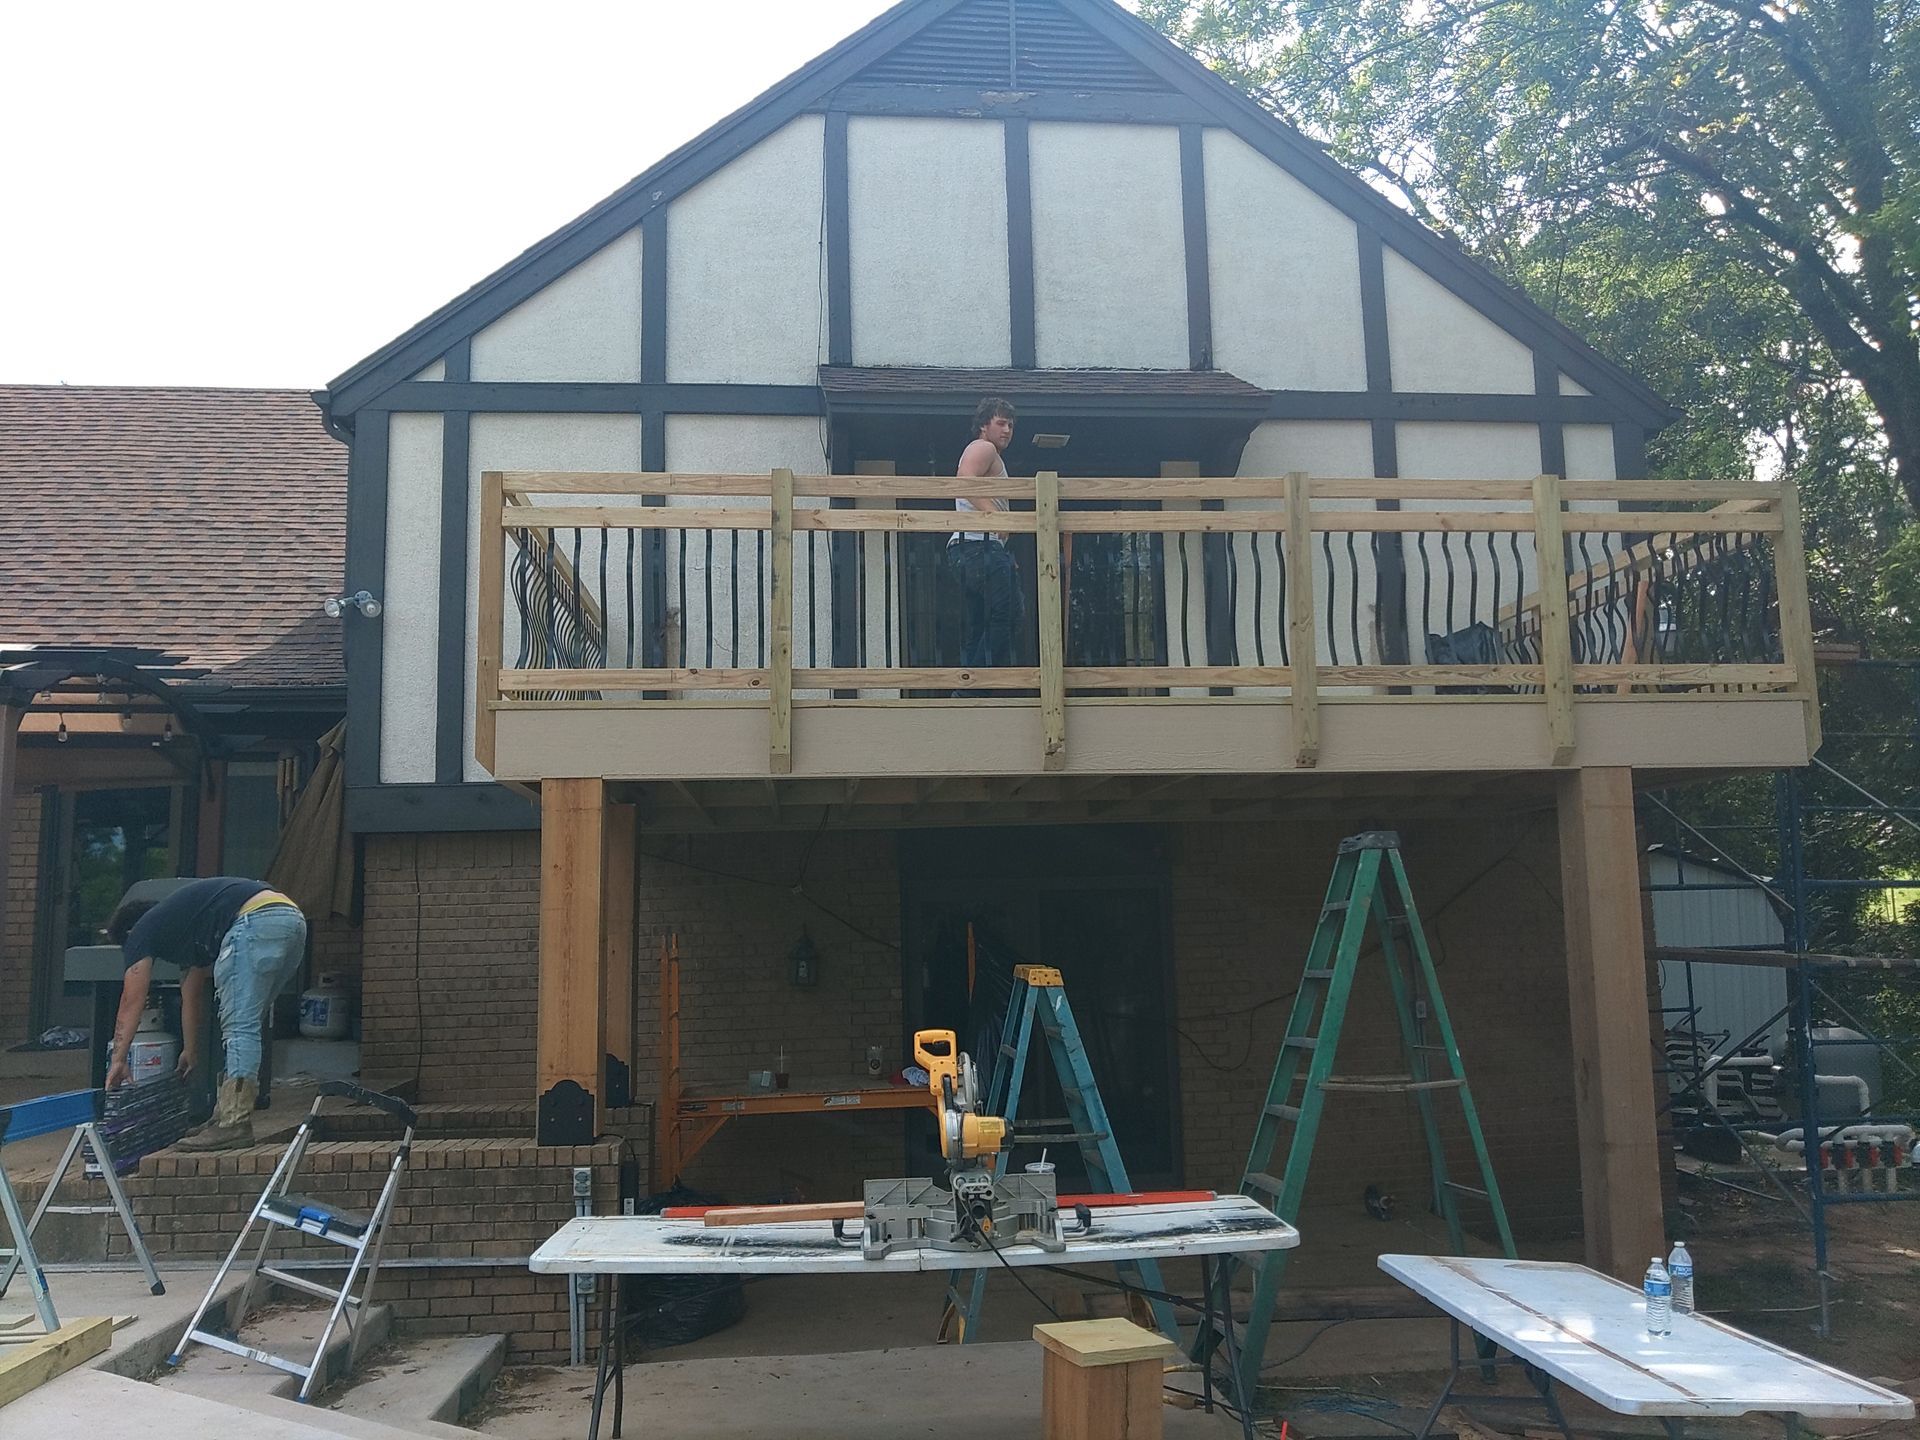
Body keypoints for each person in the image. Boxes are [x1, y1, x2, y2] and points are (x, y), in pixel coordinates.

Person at [105, 878, 309, 1151]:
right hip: (290, 920)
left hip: (255, 922)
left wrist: (118, 1060)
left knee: (240, 1027)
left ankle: (233, 1123)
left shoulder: (141, 930)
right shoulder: (187, 928)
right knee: (246, 1023)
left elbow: (132, 999)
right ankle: (224, 1114)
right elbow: (192, 994)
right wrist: (190, 1050)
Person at [947, 397, 1023, 685]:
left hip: (974, 548)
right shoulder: (983, 447)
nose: (1007, 430)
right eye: (1001, 423)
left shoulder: (990, 453)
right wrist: (996, 518)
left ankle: (970, 685)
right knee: (1009, 614)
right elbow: (964, 479)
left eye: (1011, 425)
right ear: (983, 425)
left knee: (980, 623)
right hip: (980, 546)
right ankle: (977, 687)